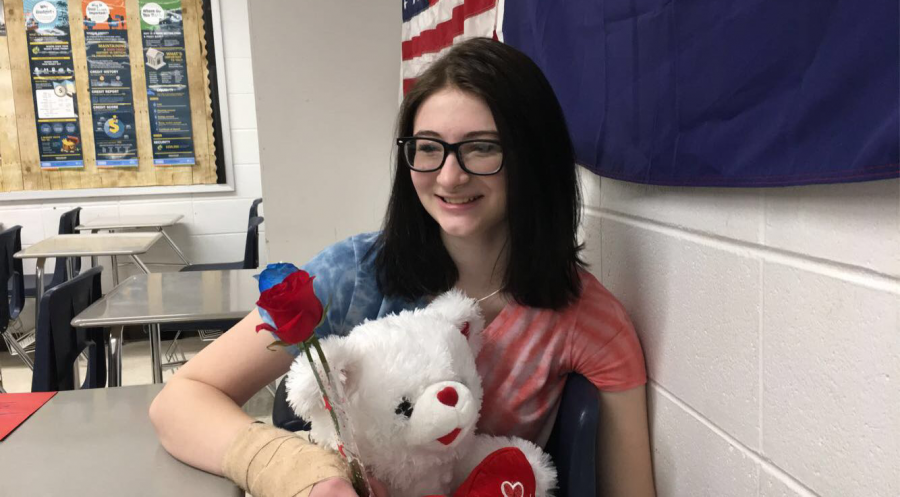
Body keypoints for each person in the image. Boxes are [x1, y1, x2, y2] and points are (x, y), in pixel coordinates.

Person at [150, 37, 656, 497]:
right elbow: (182, 399)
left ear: (533, 157)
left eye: (482, 148)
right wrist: (297, 469)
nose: (450, 176)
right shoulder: (351, 274)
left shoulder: (587, 318)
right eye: (429, 149)